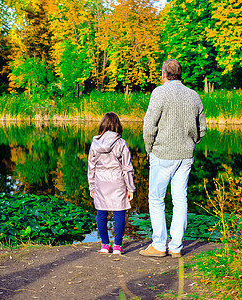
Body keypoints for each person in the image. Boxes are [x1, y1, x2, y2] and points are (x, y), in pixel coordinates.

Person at [139, 59, 206, 258]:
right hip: (185, 155)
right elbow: (202, 128)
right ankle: (175, 247)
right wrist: (191, 143)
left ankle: (159, 245)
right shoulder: (194, 96)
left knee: (157, 199)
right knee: (180, 199)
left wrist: (149, 149)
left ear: (164, 75)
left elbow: (149, 126)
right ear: (180, 74)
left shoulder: (159, 93)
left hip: (162, 153)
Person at [88, 112, 135, 255]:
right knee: (119, 213)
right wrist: (130, 188)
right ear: (117, 125)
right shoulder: (121, 143)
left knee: (101, 213)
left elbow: (91, 167)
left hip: (101, 181)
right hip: (117, 181)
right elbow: (127, 167)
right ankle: (117, 246)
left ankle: (104, 244)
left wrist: (91, 186)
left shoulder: (95, 142)